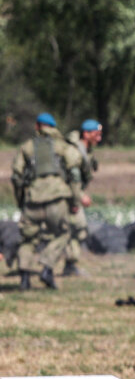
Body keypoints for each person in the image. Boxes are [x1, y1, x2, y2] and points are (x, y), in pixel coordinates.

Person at [10, 113, 84, 291]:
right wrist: (75, 200)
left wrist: (20, 200)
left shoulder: (27, 147)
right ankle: (47, 268)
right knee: (63, 234)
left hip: (33, 199)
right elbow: (74, 175)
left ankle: (25, 279)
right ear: (54, 127)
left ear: (37, 126)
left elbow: (16, 177)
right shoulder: (64, 147)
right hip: (57, 200)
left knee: (28, 238)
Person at [62, 118, 102, 277]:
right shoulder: (74, 151)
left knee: (76, 230)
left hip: (72, 196)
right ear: (86, 134)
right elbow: (73, 178)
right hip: (67, 196)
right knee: (78, 228)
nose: (99, 138)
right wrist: (78, 198)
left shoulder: (86, 150)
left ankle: (70, 264)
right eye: (96, 134)